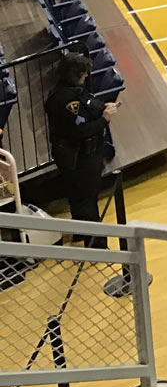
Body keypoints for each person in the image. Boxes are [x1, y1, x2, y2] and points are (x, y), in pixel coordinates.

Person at [45, 52, 117, 244]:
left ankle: (80, 233)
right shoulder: (66, 101)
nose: (86, 78)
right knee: (86, 201)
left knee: (79, 198)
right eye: (84, 75)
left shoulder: (71, 90)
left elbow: (89, 102)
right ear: (76, 75)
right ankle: (97, 247)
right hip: (78, 157)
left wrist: (103, 107)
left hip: (83, 155)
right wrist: (104, 120)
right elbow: (79, 131)